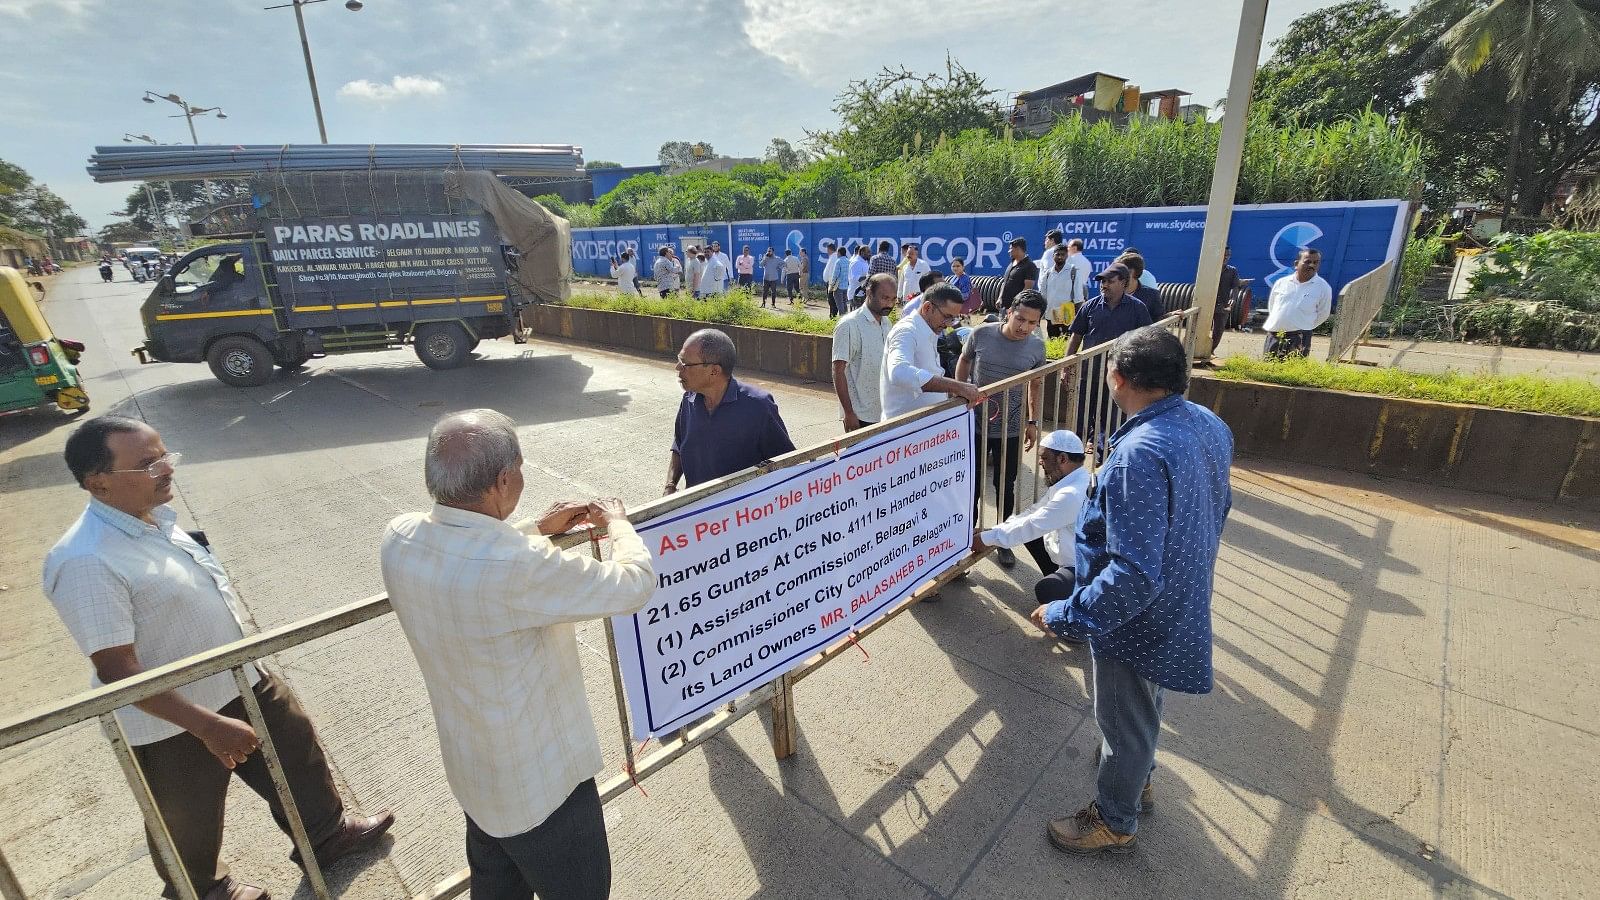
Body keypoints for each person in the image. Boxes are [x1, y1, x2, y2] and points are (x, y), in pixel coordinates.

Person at [43, 416, 394, 900]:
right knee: (186, 815)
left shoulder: (153, 520)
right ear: (98, 481)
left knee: (296, 755)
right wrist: (206, 725)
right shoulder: (85, 558)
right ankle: (202, 891)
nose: (167, 469)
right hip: (171, 718)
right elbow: (118, 670)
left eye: (165, 455)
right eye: (149, 464)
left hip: (239, 679)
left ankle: (326, 837)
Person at [380, 411, 651, 900]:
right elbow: (631, 585)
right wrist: (620, 527)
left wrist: (532, 528)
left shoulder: (398, 537)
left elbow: (471, 559)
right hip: (544, 789)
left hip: (477, 776)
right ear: (503, 480)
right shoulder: (515, 566)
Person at [1034, 327, 1233, 855]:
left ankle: (1114, 818)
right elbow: (1220, 508)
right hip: (1179, 592)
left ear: (1117, 379)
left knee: (1121, 717)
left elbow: (1132, 575)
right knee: (1145, 704)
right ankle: (1137, 778)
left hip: (1134, 615)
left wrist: (1068, 614)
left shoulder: (1138, 453)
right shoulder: (1208, 424)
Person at [956, 291, 1047, 564]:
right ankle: (962, 541)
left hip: (1012, 428)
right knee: (970, 485)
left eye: (1032, 323)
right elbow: (964, 360)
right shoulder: (981, 334)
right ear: (1008, 312)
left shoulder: (1036, 347)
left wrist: (1033, 422)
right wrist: (959, 393)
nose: (1024, 327)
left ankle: (1003, 540)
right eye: (1020, 318)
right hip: (975, 425)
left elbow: (1036, 383)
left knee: (1005, 485)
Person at [970, 429, 1089, 619]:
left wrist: (985, 540)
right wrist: (992, 532)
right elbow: (1033, 514)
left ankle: (1076, 624)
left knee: (1048, 590)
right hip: (1075, 556)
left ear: (1062, 459)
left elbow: (1031, 525)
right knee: (1031, 534)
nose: (1040, 462)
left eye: (1044, 458)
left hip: (1086, 569)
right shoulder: (1075, 479)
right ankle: (1062, 580)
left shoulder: (1071, 494)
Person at [666, 329, 796, 492]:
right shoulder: (689, 399)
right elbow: (679, 444)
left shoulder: (758, 406)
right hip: (697, 510)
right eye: (679, 360)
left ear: (714, 370)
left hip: (744, 512)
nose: (678, 367)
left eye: (685, 363)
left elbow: (786, 462)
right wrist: (670, 485)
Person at [1066, 262, 1154, 446]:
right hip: (1088, 374)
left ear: (1124, 283)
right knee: (1079, 418)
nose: (1104, 285)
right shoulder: (1090, 306)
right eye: (1102, 281)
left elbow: (1146, 340)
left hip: (1120, 377)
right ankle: (1075, 454)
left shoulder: (1137, 308)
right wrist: (1066, 367)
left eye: (1109, 281)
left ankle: (1104, 456)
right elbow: (1076, 337)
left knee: (1113, 421)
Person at [880, 283, 986, 422]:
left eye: (953, 319)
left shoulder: (929, 328)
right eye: (947, 316)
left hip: (924, 428)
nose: (949, 324)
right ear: (927, 307)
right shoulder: (906, 331)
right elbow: (899, 372)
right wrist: (957, 386)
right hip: (904, 431)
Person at [832, 272, 895, 431]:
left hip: (884, 411)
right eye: (884, 298)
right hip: (859, 415)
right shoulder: (849, 325)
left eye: (893, 299)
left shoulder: (887, 323)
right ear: (869, 293)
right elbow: (838, 371)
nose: (889, 304)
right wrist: (848, 412)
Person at [1262, 248, 1331, 359]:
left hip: (1299, 336)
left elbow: (1323, 314)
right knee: (1267, 369)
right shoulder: (1282, 282)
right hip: (1275, 334)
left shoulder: (1323, 287)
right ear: (1296, 264)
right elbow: (1273, 307)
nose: (1312, 265)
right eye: (1308, 262)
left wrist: (1304, 326)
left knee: (1293, 371)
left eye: (1316, 262)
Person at [1037, 244, 1077, 337]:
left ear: (1066, 256)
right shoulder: (1048, 273)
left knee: (1065, 339)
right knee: (1052, 339)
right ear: (1053, 256)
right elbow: (1043, 293)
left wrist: (1077, 313)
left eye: (1063, 254)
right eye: (1057, 254)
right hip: (1051, 312)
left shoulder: (1072, 271)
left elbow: (1078, 294)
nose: (1060, 257)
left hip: (1066, 311)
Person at [1210, 246, 1243, 357]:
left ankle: (1210, 351)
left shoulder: (1232, 271)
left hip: (1222, 305)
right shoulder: (1210, 268)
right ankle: (1195, 349)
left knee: (1218, 330)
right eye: (1224, 255)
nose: (1226, 257)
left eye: (1228, 255)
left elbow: (1235, 287)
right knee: (1200, 327)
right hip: (1207, 303)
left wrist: (1233, 298)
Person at [997, 237, 1039, 312]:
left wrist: (1015, 305)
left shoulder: (1030, 266)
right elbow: (1005, 283)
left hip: (1017, 310)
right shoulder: (1011, 263)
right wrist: (1000, 298)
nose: (1009, 251)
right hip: (1004, 307)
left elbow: (1027, 289)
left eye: (1011, 249)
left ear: (1018, 249)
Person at [1065, 238, 1094, 307]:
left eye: (1069, 247)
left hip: (1071, 293)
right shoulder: (1087, 262)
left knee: (1068, 317)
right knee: (1081, 315)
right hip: (1084, 292)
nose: (1067, 249)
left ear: (1074, 248)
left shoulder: (1069, 260)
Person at [823, 245, 849, 317]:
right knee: (844, 303)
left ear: (839, 253)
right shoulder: (848, 261)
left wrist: (831, 286)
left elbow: (835, 275)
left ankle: (841, 318)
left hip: (838, 286)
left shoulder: (838, 261)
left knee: (838, 303)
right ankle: (846, 317)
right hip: (845, 286)